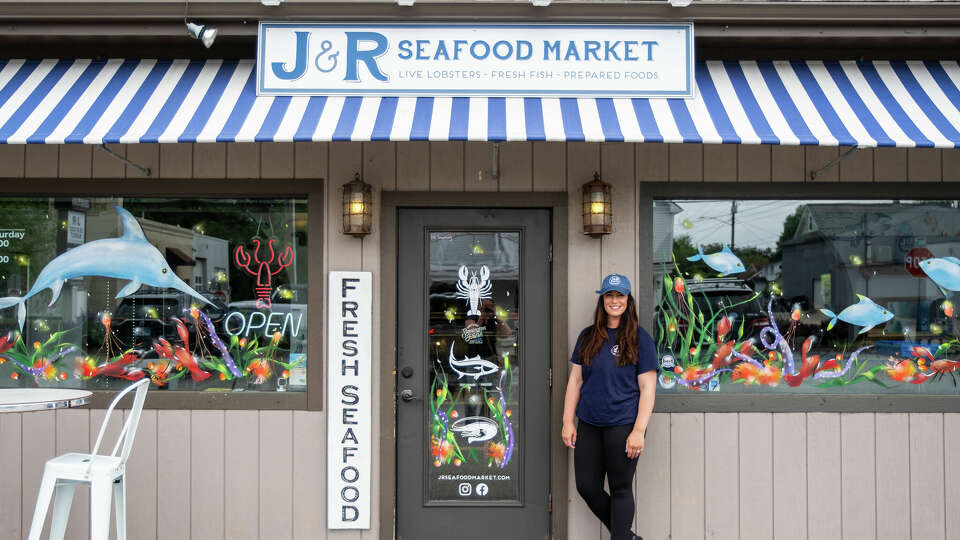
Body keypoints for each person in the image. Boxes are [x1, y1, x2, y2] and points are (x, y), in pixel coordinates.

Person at [562, 273, 658, 540]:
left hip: (624, 424)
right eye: (609, 295)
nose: (614, 301)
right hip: (589, 424)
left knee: (620, 488)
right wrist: (567, 421)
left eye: (620, 295)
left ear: (628, 300)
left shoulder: (640, 338)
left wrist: (639, 430)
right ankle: (627, 537)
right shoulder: (588, 336)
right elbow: (575, 380)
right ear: (602, 299)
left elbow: (648, 388)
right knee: (587, 487)